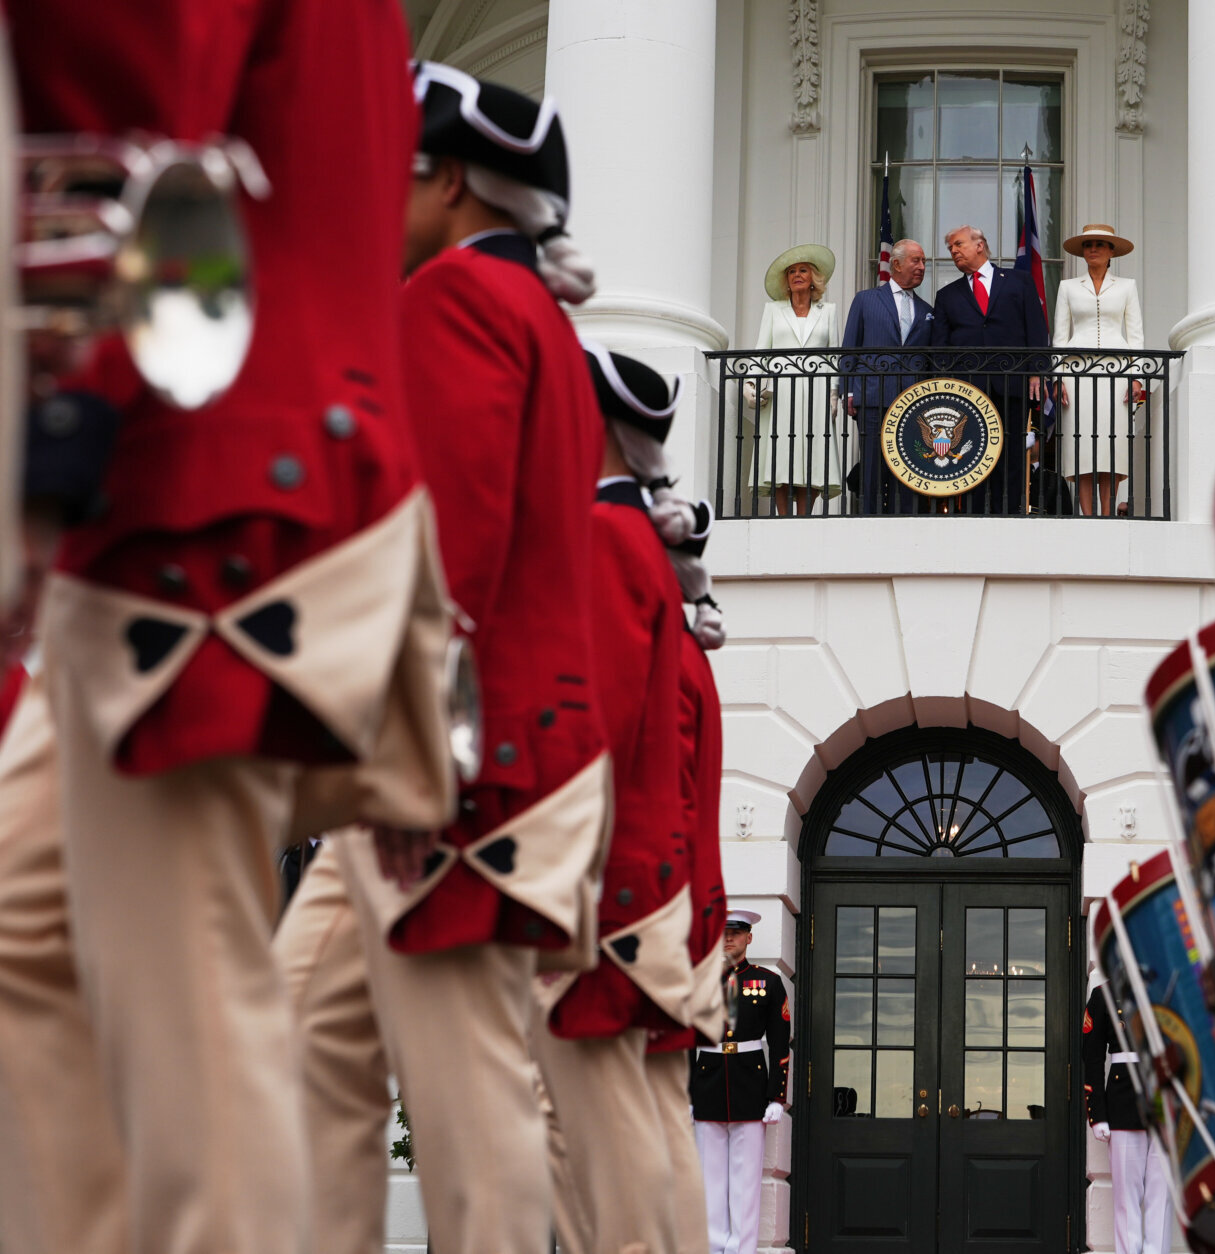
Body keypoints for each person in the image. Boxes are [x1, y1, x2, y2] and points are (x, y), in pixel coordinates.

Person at [0, 3, 452, 1252]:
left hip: (194, 482)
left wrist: (48, 439)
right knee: (29, 927)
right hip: (254, 462)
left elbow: (119, 142)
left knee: (185, 983)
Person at [272, 65, 610, 1254]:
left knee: (468, 1099)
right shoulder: (538, 322)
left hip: (467, 753)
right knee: (307, 1038)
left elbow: (449, 553)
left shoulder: (456, 302)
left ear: (454, 183)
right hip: (491, 744)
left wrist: (418, 751)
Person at [528, 343, 696, 1254]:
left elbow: (601, 725)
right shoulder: (631, 537)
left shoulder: (601, 536)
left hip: (596, 877)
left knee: (577, 1108)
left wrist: (563, 879)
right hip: (634, 877)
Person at [650, 501, 733, 1254]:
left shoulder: (660, 652)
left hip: (635, 913)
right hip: (674, 914)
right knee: (660, 1121)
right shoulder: (687, 653)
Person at [931, 224, 1052, 516]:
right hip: (968, 389)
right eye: (950, 248)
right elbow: (939, 348)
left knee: (1010, 451)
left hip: (1011, 383)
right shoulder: (947, 295)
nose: (953, 252)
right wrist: (946, 387)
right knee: (970, 452)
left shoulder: (1018, 281)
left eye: (958, 244)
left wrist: (1037, 371)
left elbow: (1036, 328)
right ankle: (972, 513)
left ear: (980, 245)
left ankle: (1007, 512)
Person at [693, 909, 792, 1254]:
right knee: (710, 1182)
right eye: (723, 932)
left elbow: (780, 1043)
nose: (728, 938)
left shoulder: (768, 981)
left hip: (751, 1084)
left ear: (749, 937)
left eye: (736, 932)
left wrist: (777, 1097)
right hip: (707, 1082)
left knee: (746, 1182)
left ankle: (742, 1250)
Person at [1053, 224, 1145, 517]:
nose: (1093, 248)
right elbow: (1059, 337)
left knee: (1111, 445)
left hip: (1116, 372)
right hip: (1075, 372)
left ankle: (1107, 514)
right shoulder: (1068, 286)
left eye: (1100, 244)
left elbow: (1136, 336)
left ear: (1111, 252)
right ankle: (1086, 516)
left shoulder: (1127, 286)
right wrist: (1057, 379)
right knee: (1079, 447)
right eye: (1088, 244)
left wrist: (1136, 377)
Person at [841, 238, 934, 515]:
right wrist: (848, 391)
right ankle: (870, 521)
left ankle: (905, 522)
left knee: (909, 466)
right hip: (871, 396)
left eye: (924, 262)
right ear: (895, 264)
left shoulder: (928, 311)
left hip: (913, 401)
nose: (921, 267)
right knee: (872, 466)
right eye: (916, 261)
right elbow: (850, 348)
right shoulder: (866, 300)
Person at [750, 244, 844, 516]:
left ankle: (804, 517)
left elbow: (833, 356)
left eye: (803, 270)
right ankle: (782, 516)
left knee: (813, 453)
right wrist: (752, 384)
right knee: (781, 452)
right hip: (781, 391)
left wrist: (834, 393)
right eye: (792, 272)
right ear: (786, 281)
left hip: (817, 391)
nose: (797, 275)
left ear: (813, 278)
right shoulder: (773, 310)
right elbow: (761, 351)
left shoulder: (828, 311)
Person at [1083, 977, 1171, 1254]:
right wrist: (1097, 1114)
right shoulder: (1104, 994)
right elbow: (1093, 1057)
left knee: (1162, 1195)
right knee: (1126, 1198)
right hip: (1122, 1100)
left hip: (1165, 1098)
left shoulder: (1170, 985)